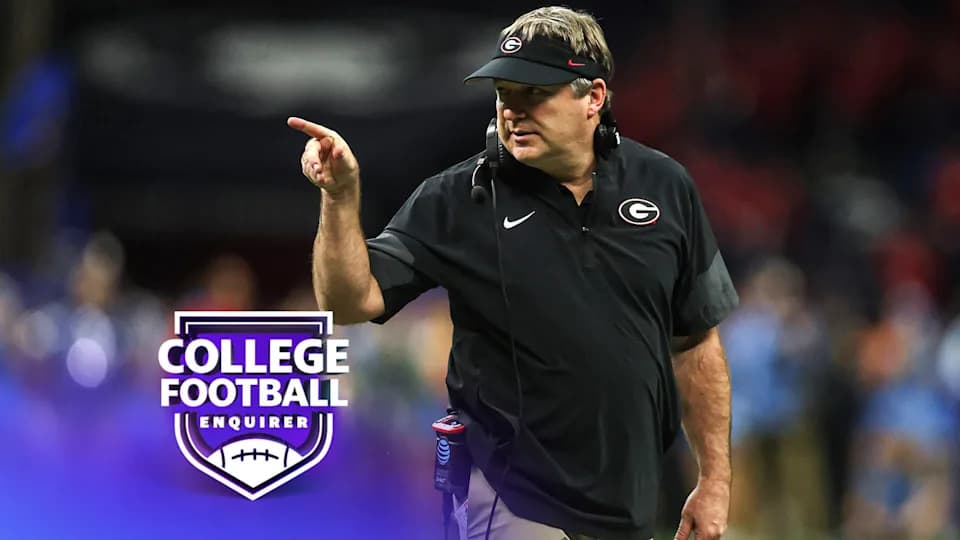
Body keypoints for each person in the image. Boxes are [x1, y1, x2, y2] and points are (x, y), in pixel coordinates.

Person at [287, 6, 738, 540]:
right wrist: (340, 199)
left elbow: (694, 342)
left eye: (535, 94)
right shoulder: (459, 200)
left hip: (629, 505)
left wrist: (714, 478)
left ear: (592, 97)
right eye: (505, 93)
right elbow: (347, 301)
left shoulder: (665, 186)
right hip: (506, 497)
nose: (513, 111)